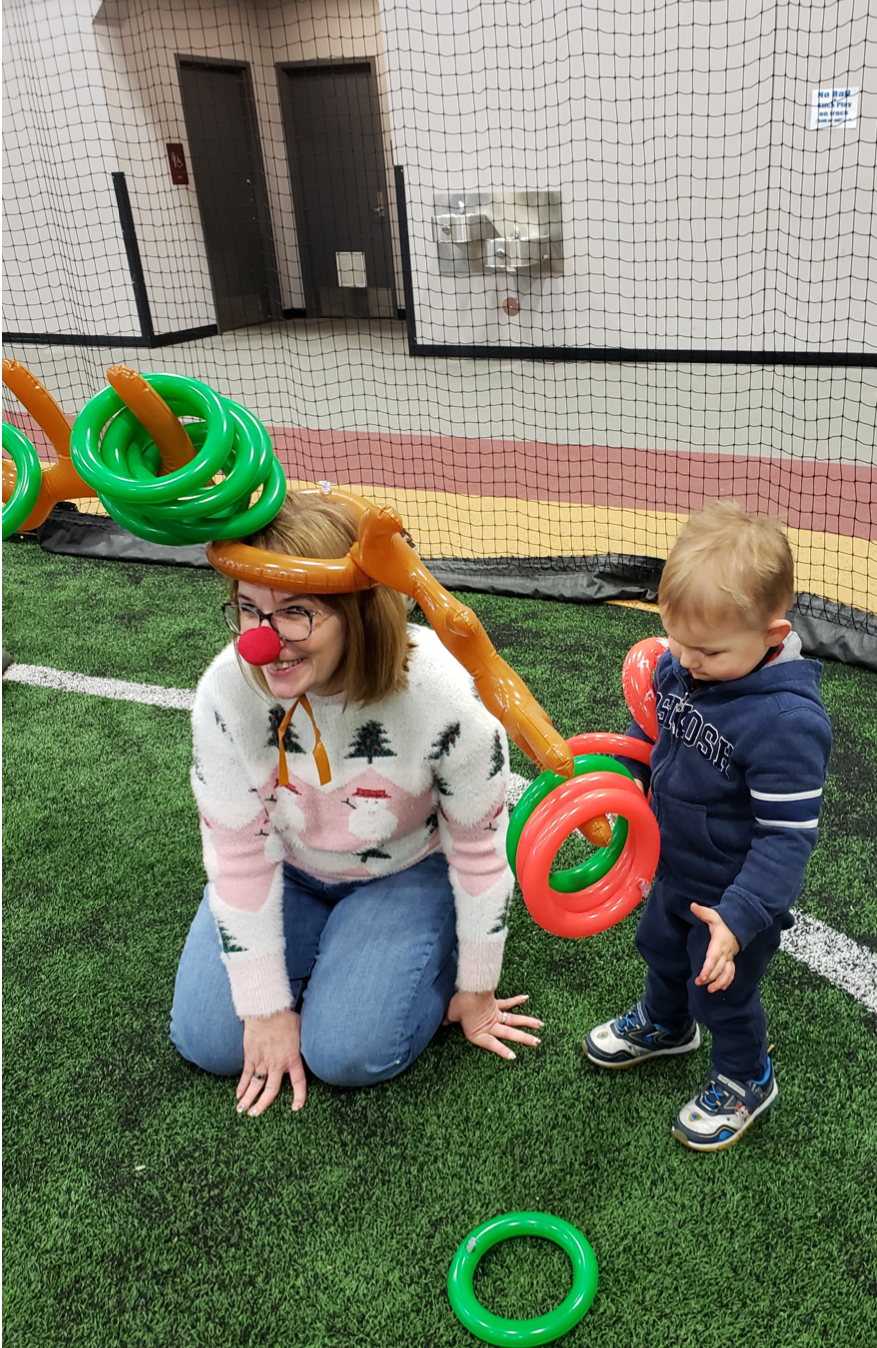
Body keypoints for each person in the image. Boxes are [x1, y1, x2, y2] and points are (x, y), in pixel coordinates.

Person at [171, 491, 541, 1116]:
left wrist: (476, 990)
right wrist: (265, 1010)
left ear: (359, 613)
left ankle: (422, 948)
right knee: (209, 1039)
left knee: (348, 1054)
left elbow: (481, 850)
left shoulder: (442, 691)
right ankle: (325, 959)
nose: (264, 643)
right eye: (248, 609)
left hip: (405, 870)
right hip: (289, 865)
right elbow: (237, 857)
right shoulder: (226, 691)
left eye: (296, 612)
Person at [583, 501, 831, 1150]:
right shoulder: (681, 663)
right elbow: (650, 732)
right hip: (672, 862)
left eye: (709, 650)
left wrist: (742, 917)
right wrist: (619, 781)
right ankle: (667, 1026)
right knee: (661, 952)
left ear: (773, 634)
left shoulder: (786, 723)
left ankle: (747, 1076)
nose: (685, 661)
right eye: (676, 640)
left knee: (720, 993)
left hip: (731, 896)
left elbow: (787, 838)